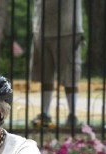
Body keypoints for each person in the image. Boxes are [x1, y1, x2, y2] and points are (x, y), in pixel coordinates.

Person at [30, 0, 84, 128]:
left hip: (67, 30)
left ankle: (72, 114)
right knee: (45, 75)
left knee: (69, 75)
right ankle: (44, 113)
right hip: (42, 29)